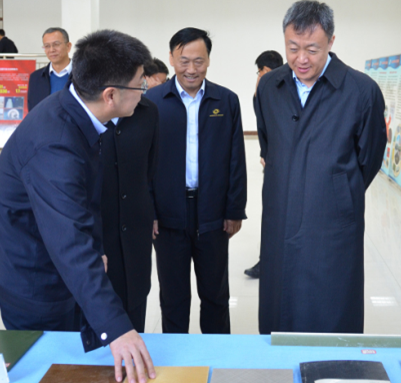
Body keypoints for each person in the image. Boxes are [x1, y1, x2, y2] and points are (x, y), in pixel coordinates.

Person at [0, 29, 156, 383]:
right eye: (140, 84)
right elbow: (69, 243)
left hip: (58, 268)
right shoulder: (55, 144)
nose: (144, 91)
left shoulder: (74, 111)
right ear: (110, 95)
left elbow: (81, 203)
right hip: (37, 285)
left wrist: (95, 246)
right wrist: (118, 329)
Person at [255, 0, 387, 334]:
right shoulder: (270, 87)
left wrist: (335, 187)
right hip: (280, 211)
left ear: (331, 41)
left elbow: (370, 157)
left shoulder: (361, 91)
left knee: (331, 302)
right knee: (279, 301)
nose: (301, 58)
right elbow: (269, 143)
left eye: (312, 49)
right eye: (293, 48)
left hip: (332, 218)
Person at [146, 27, 247, 335]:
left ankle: (217, 354)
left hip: (212, 214)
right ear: (171, 59)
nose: (191, 69)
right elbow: (142, 164)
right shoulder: (152, 102)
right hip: (167, 217)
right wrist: (149, 211)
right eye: (184, 61)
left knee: (215, 296)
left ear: (209, 60)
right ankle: (177, 357)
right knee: (173, 298)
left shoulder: (226, 101)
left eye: (199, 61)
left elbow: (236, 159)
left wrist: (234, 209)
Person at [101, 89, 159, 333]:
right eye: (138, 80)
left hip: (136, 228)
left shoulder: (147, 111)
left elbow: (151, 169)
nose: (142, 88)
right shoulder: (82, 114)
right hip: (98, 231)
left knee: (135, 302)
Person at [244, 49, 283, 280]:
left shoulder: (282, 93)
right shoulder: (262, 93)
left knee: (276, 215)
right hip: (272, 162)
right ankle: (268, 260)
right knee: (272, 214)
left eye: (261, 72)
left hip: (282, 165)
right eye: (259, 73)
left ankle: (270, 262)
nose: (259, 77)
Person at [28, 27, 72, 111]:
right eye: (47, 46)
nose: (51, 50)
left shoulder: (84, 75)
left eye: (56, 44)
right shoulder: (36, 78)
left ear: (68, 46)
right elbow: (33, 111)